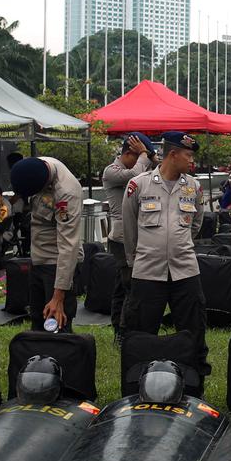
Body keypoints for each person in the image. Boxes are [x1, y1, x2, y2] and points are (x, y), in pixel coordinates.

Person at [122, 132, 209, 372]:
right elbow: (129, 229)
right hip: (148, 271)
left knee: (193, 329)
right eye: (189, 155)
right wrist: (136, 260)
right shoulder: (138, 184)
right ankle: (136, 377)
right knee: (140, 330)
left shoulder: (194, 187)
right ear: (173, 154)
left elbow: (196, 225)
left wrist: (178, 247)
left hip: (185, 271)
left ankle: (194, 377)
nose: (192, 161)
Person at [9, 156, 83, 332]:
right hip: (38, 260)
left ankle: (60, 358)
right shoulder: (34, 168)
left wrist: (58, 295)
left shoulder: (66, 192)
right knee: (37, 318)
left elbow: (68, 245)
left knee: (56, 323)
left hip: (58, 264)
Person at [102, 132, 156, 339]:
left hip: (137, 235)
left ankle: (120, 327)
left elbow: (160, 170)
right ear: (128, 153)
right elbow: (135, 177)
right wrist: (144, 156)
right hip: (122, 238)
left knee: (122, 286)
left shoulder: (140, 165)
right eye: (138, 156)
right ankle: (124, 332)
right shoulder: (112, 171)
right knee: (130, 286)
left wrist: (148, 155)